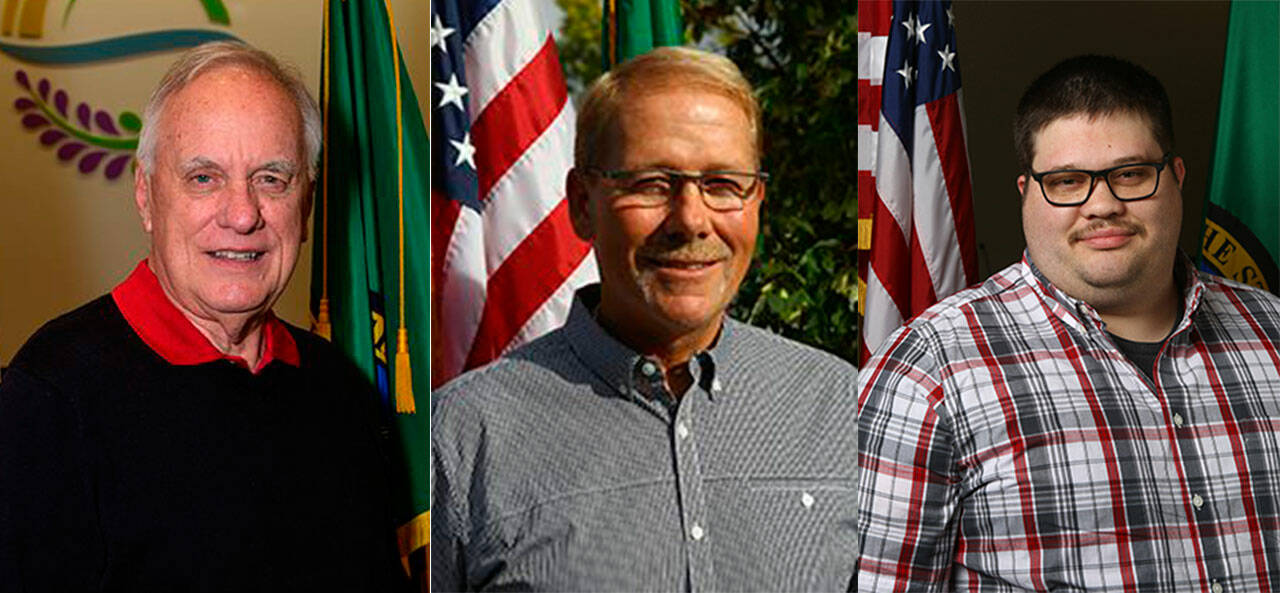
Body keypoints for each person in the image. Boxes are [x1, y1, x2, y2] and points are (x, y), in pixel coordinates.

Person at [431, 46, 858, 591]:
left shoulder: (844, 407)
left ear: (758, 202)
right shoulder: (464, 436)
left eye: (723, 184)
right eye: (652, 183)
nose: (690, 220)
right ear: (582, 204)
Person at [857, 54, 1280, 591]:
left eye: (1130, 174)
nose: (1101, 205)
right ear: (1026, 194)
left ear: (1175, 178)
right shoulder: (927, 373)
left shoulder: (1273, 334)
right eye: (1066, 181)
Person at [0, 42, 407, 591]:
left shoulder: (341, 391)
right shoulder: (49, 398)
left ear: (306, 206)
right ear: (145, 196)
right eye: (203, 178)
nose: (242, 215)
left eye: (271, 178)